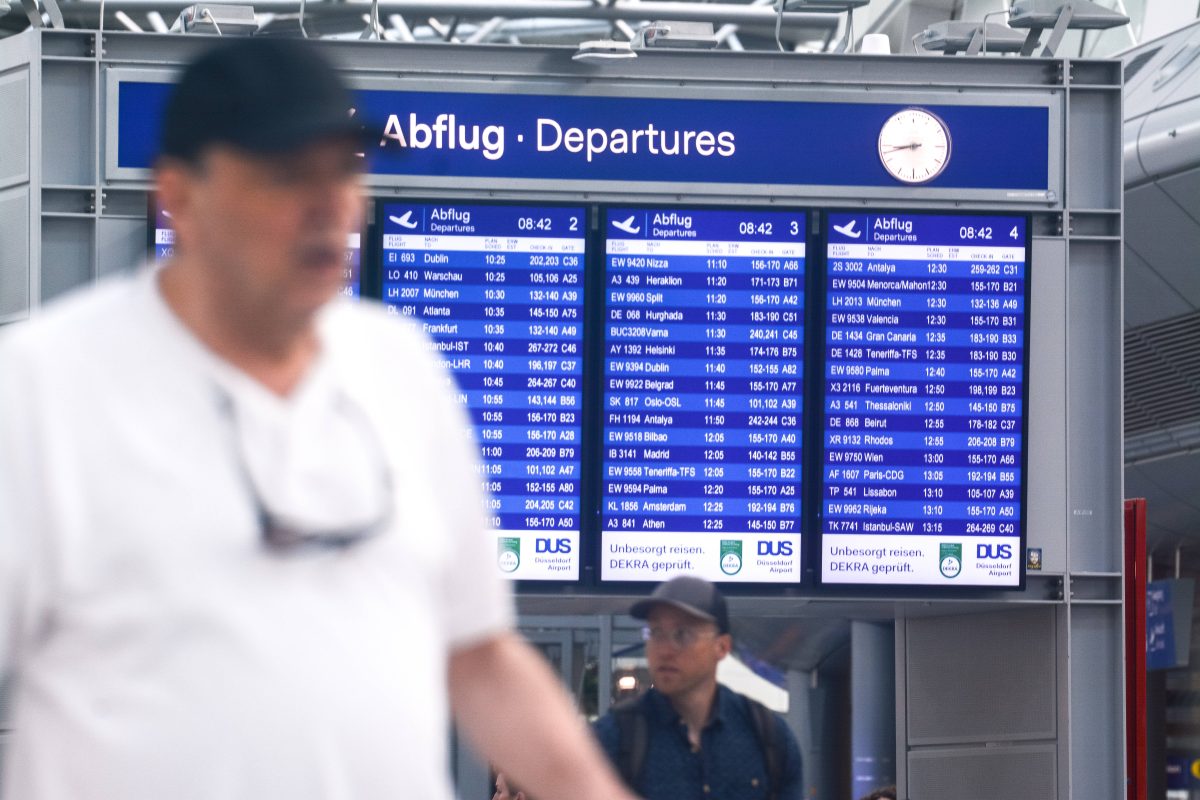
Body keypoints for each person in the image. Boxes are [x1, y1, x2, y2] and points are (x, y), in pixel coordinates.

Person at [0, 38, 636, 800]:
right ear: (178, 197)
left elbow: (478, 657)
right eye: (286, 176)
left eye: (344, 172)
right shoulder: (45, 389)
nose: (329, 204)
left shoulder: (400, 369)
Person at [498, 576, 803, 800]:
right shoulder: (615, 738)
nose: (664, 649)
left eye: (682, 634)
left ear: (721, 647)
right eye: (655, 632)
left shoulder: (767, 737)